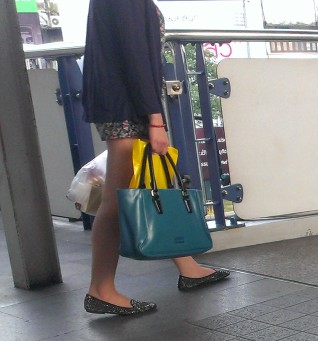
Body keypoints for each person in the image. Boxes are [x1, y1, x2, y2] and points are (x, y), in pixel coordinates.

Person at [82, 0, 229, 316]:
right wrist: (155, 119)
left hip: (120, 100)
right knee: (118, 198)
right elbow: (136, 60)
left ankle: (186, 265)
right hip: (126, 105)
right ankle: (101, 289)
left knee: (148, 182)